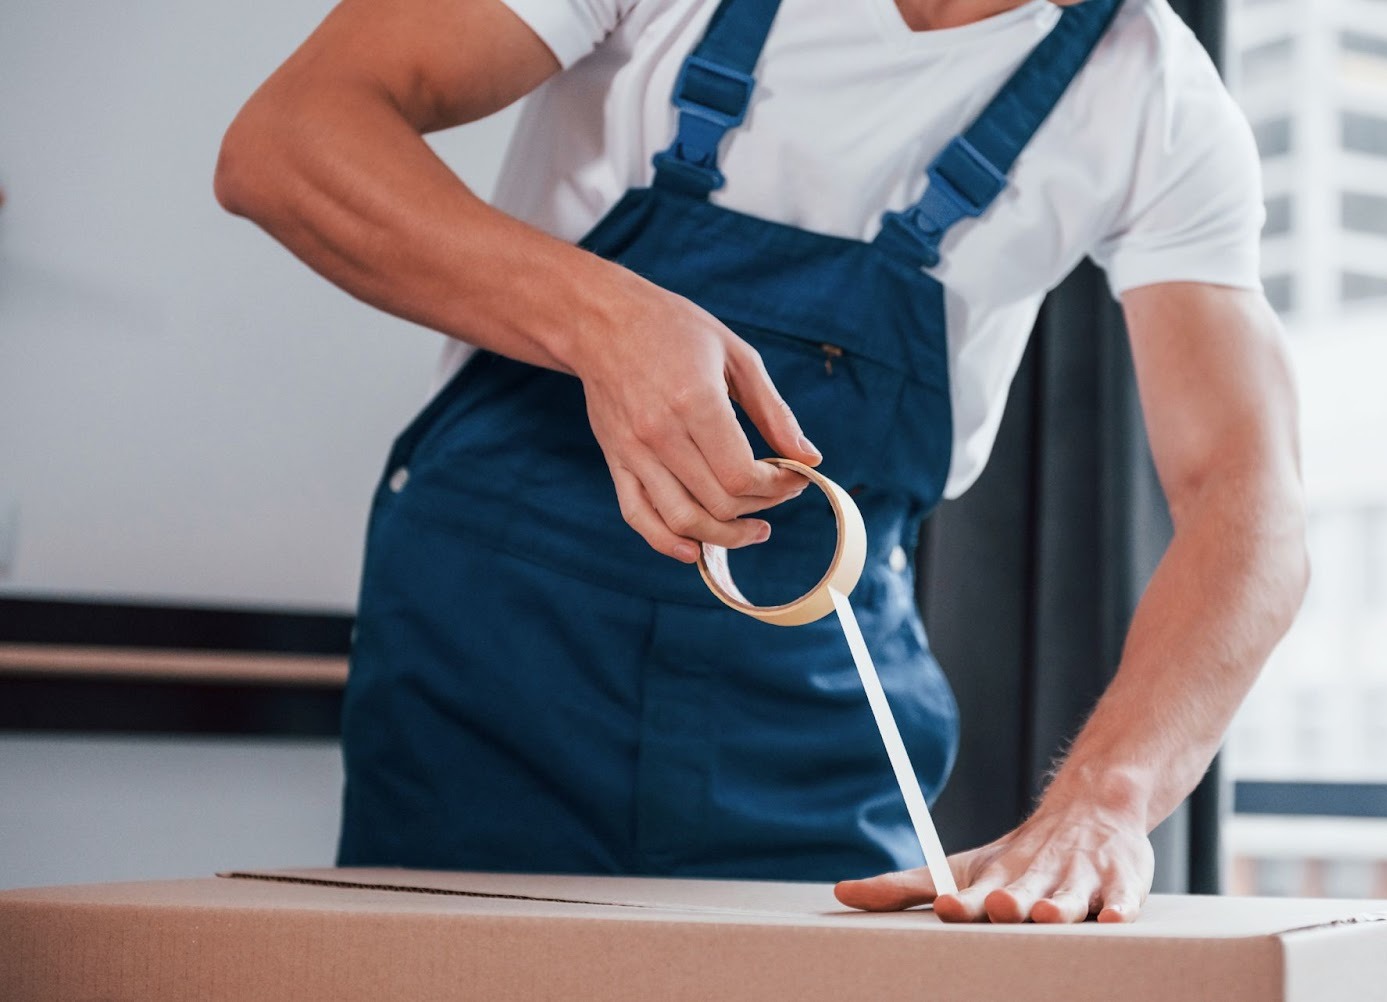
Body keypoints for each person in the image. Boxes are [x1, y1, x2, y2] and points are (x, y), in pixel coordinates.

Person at [215, 0, 1308, 924]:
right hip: (497, 648)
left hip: (810, 700)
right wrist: (606, 324)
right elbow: (290, 142)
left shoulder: (1157, 99)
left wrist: (1108, 800)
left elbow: (1248, 504)